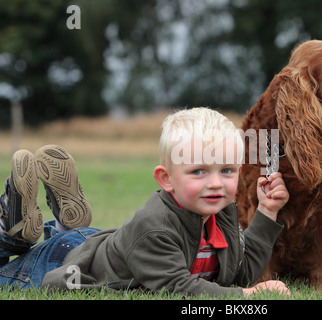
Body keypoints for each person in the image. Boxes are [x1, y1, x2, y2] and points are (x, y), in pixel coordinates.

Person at [0, 107, 290, 296]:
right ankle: (10, 233)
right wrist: (246, 296)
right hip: (61, 266)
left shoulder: (220, 212)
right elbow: (178, 289)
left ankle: (53, 227)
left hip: (91, 245)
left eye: (226, 170)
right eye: (198, 171)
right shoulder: (156, 227)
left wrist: (267, 211)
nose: (215, 182)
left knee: (78, 243)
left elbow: (240, 270)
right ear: (166, 179)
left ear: (239, 172)